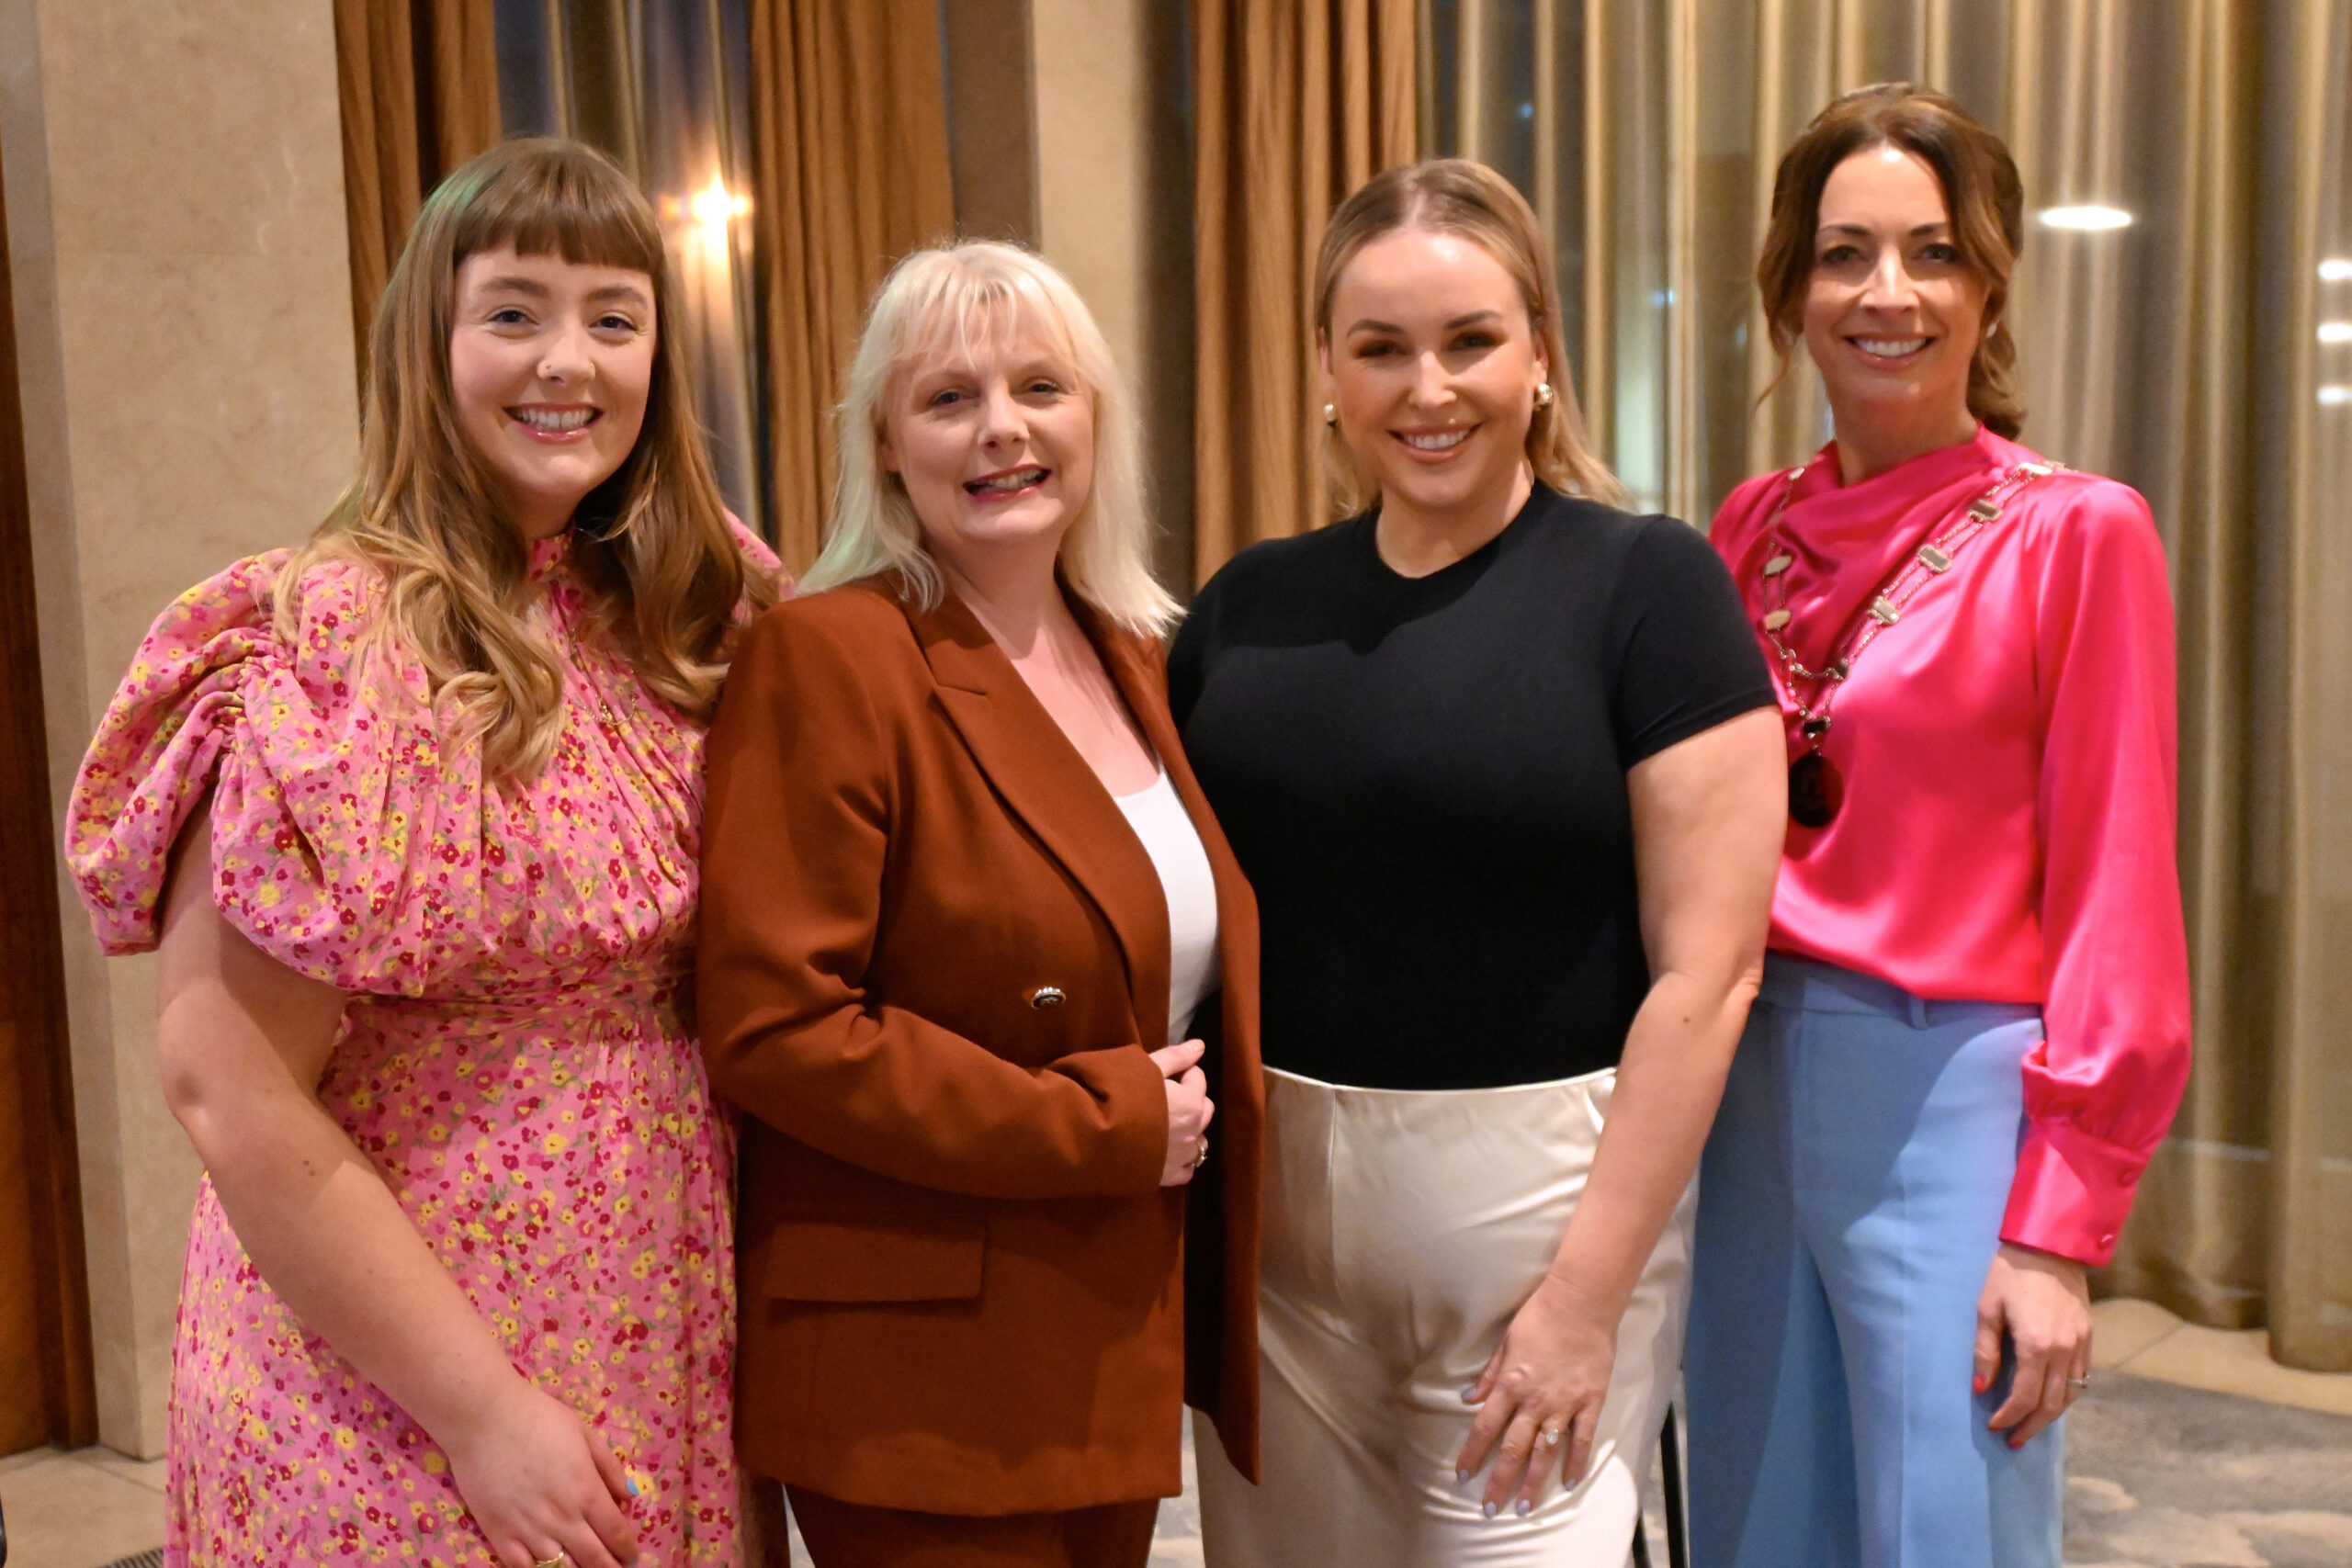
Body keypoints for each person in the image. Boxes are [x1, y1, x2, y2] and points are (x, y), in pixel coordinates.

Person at [64, 139, 780, 1568]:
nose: (565, 361)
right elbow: (228, 1088)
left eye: (614, 318)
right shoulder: (322, 641)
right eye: (513, 311)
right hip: (390, 1382)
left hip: (662, 1319)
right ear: (426, 341)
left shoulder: (699, 612)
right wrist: (479, 1411)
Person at [1170, 158, 1785, 1567]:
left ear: (1541, 356)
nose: (1427, 389)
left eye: (1471, 341)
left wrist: (1583, 1301)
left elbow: (1711, 976)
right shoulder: (1250, 604)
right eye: (1380, 348)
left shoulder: (1649, 588)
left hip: (1539, 1247)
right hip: (1271, 1266)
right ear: (1327, 368)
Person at [1683, 84, 2192, 1568]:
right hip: (1747, 1079)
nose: (1887, 293)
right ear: (1792, 284)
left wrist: (2056, 1227)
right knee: (1753, 1518)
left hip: (1951, 1089)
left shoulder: (2076, 532)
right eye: (1845, 253)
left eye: (1932, 251)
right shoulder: (1746, 532)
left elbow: (2116, 881)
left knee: (1946, 1529)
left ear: (1989, 281)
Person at [695, 239, 1263, 1568]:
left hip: (1098, 1333)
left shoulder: (1130, 652)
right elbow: (777, 1028)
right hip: (920, 1377)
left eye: (1038, 389)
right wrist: (1106, 1124)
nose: (1001, 430)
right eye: (947, 398)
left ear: (1094, 421)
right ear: (886, 444)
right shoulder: (827, 656)